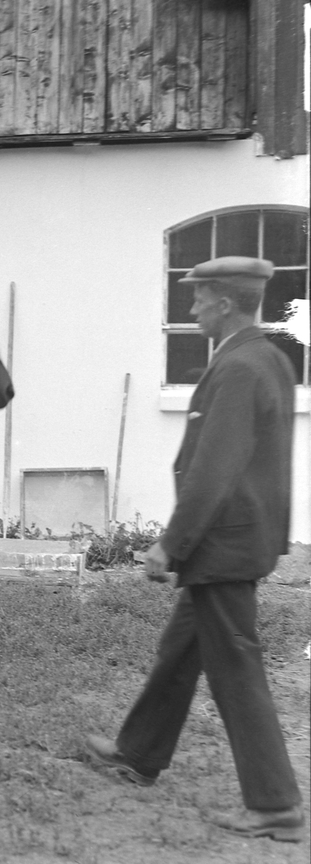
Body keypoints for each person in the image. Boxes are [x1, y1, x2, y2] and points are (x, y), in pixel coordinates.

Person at [85, 257, 304, 842]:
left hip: (222, 545)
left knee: (236, 668)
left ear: (226, 302)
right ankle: (138, 753)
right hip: (239, 539)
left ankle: (276, 804)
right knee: (181, 651)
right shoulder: (270, 359)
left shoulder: (237, 368)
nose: (192, 307)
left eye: (199, 297)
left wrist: (170, 545)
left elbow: (215, 470)